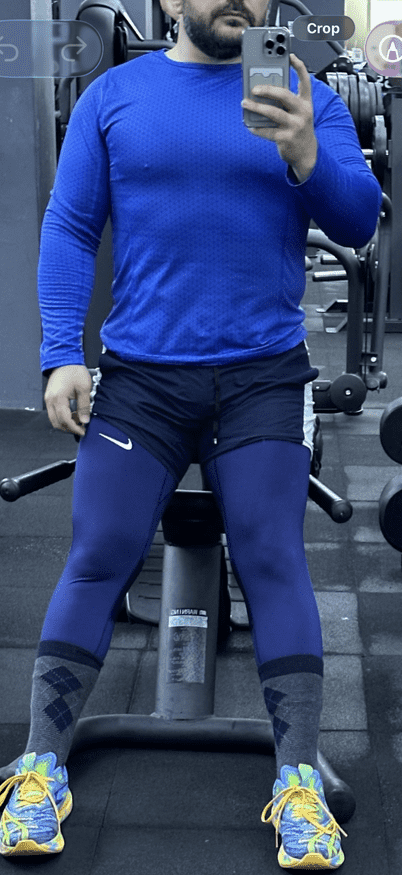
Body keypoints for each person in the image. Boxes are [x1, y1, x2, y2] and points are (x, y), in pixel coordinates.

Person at [0, 0, 381, 867]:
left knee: (273, 557)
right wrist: (61, 353)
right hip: (142, 378)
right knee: (98, 553)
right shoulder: (113, 96)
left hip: (263, 376)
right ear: (171, 2)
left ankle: (297, 782)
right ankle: (40, 768)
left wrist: (307, 155)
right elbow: (69, 225)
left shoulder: (306, 94)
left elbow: (359, 221)